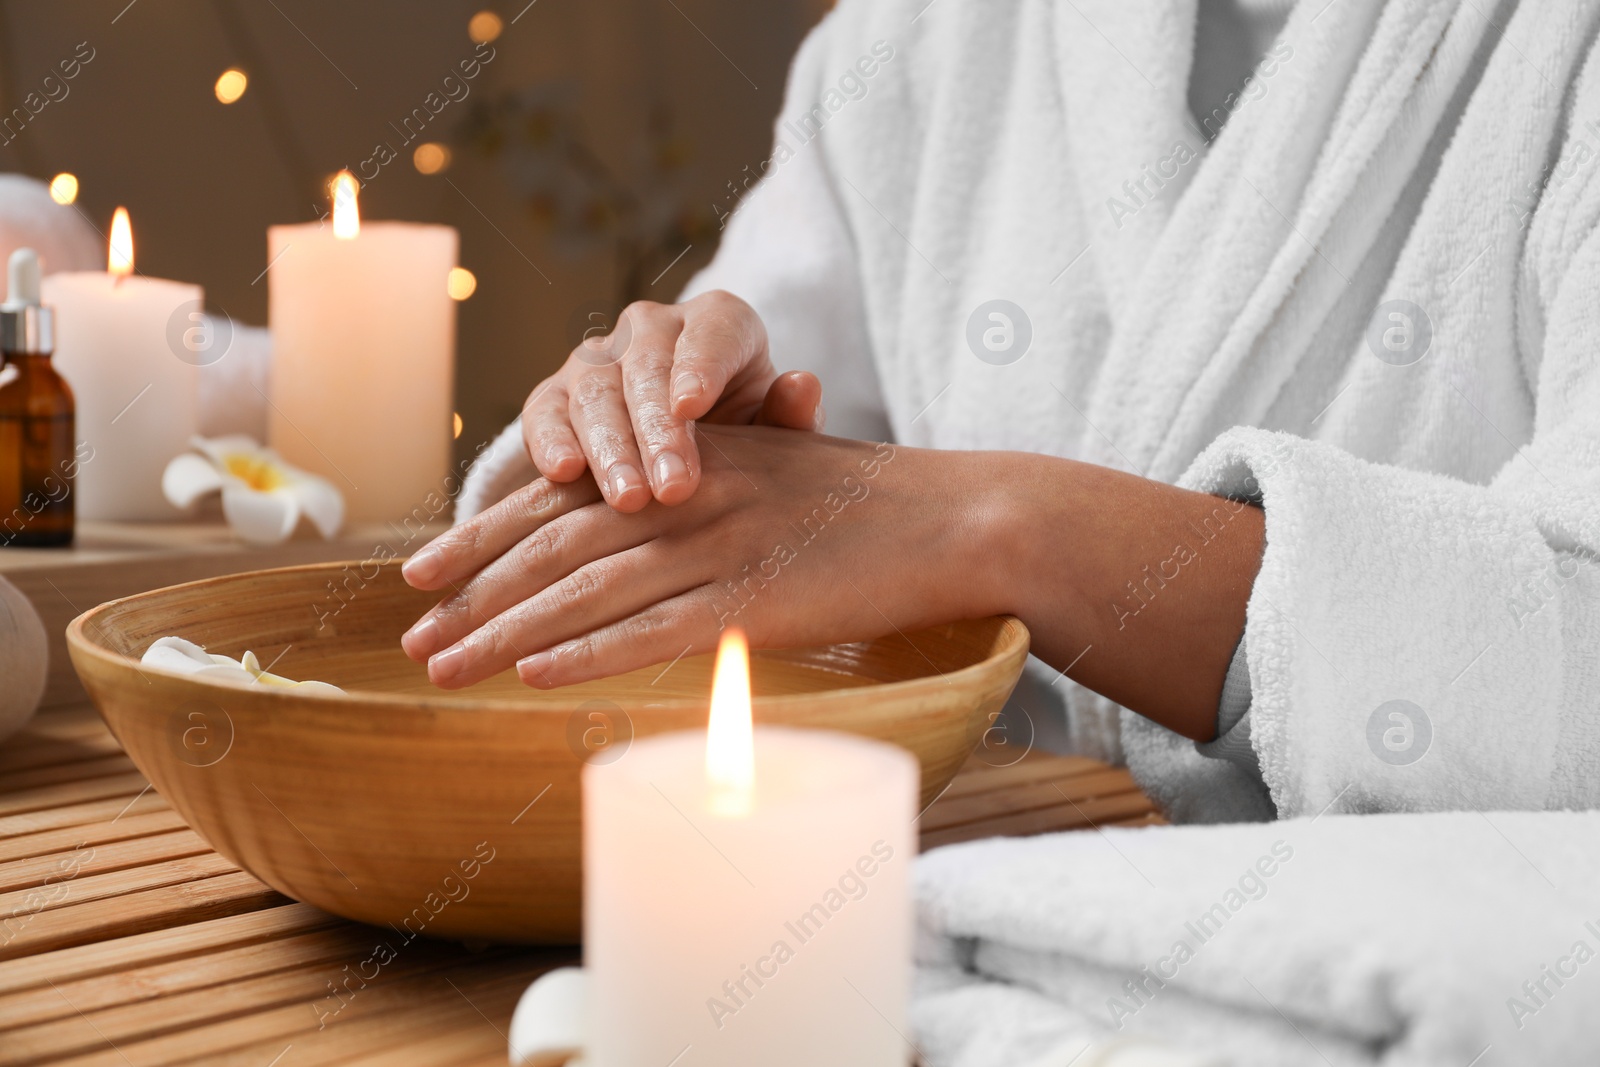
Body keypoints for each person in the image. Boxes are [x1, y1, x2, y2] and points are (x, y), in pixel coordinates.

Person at [400, 0, 1600, 822]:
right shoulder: (929, 32)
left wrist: (1011, 525)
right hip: (948, 958)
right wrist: (641, 428)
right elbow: (754, 472)